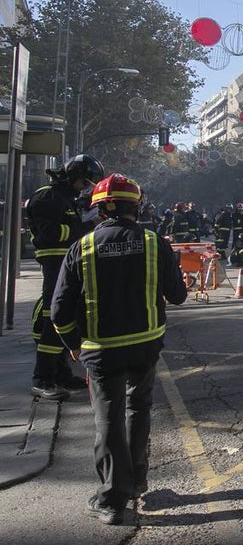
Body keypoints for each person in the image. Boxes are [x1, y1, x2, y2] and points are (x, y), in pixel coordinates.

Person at [50, 174, 188, 524]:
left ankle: (112, 500)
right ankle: (138, 480)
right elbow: (177, 295)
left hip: (100, 351)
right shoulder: (155, 242)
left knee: (107, 418)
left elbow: (59, 311)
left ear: (97, 210)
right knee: (137, 410)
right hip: (145, 345)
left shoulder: (81, 247)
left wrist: (73, 345)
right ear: (137, 206)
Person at [25, 153, 106, 400]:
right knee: (54, 318)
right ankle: (43, 379)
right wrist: (83, 228)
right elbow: (47, 234)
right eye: (84, 182)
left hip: (67, 264)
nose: (85, 188)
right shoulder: (47, 197)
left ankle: (61, 374)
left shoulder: (64, 198)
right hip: (54, 264)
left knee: (67, 315)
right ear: (73, 176)